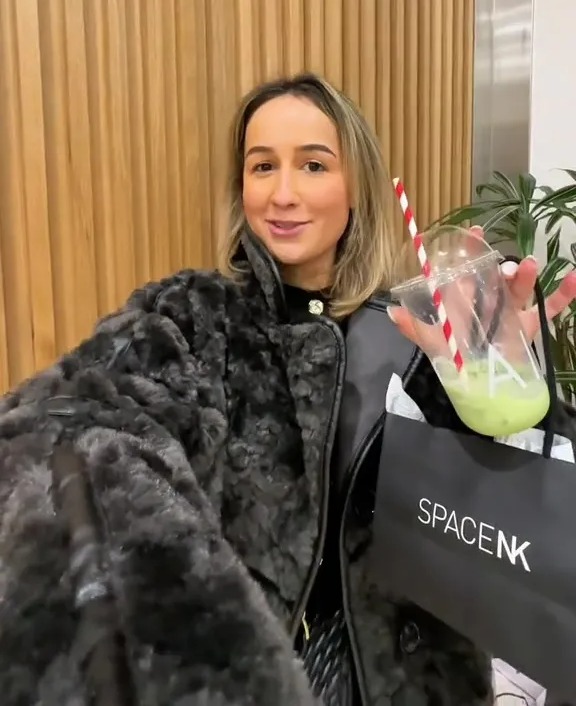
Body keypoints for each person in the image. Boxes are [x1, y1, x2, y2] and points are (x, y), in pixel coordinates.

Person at [0, 72, 575, 706]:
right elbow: (67, 424)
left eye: (313, 165)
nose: (283, 193)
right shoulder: (192, 319)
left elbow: (522, 526)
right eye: (262, 166)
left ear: (355, 184)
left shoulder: (420, 335)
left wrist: (513, 386)